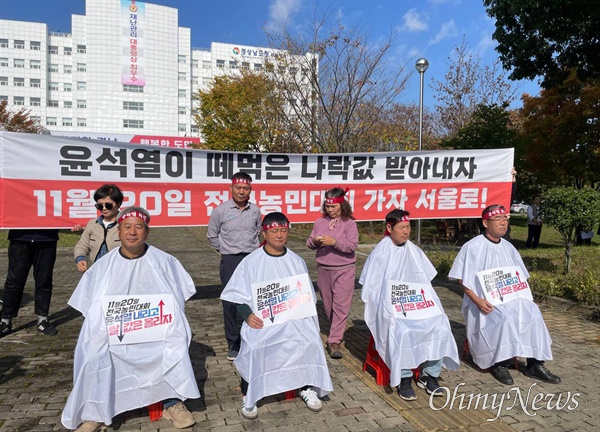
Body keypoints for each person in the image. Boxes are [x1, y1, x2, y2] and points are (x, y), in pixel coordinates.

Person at [61, 207, 199, 432]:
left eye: (139, 227)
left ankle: (172, 401)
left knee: (176, 339)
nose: (132, 232)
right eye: (127, 226)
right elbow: (90, 308)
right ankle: (96, 411)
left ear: (147, 231)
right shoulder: (104, 265)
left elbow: (178, 299)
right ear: (119, 230)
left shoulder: (165, 261)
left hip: (156, 330)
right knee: (93, 349)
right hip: (116, 330)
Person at [221, 212, 333, 419]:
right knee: (255, 344)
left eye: (283, 230)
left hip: (293, 319)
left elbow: (306, 296)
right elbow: (237, 294)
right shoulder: (251, 261)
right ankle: (250, 391)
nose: (280, 235)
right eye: (274, 231)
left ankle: (306, 386)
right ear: (265, 232)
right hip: (263, 321)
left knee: (309, 340)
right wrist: (247, 315)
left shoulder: (296, 261)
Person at [449, 204, 561, 386]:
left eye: (505, 219)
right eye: (498, 219)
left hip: (509, 297)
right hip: (483, 301)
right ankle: (498, 363)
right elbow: (463, 280)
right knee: (504, 317)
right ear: (486, 222)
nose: (503, 223)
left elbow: (520, 277)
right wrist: (478, 301)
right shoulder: (473, 247)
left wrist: (522, 297)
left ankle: (535, 363)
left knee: (532, 312)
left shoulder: (509, 247)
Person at [359, 209, 460, 401]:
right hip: (391, 308)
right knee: (402, 329)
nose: (406, 232)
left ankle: (429, 374)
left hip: (416, 304)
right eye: (402, 227)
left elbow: (425, 280)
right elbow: (372, 291)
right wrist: (391, 305)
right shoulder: (380, 253)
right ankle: (404, 377)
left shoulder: (414, 251)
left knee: (439, 323)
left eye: (408, 227)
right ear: (389, 227)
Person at [207, 172, 262, 361]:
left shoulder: (255, 210)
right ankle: (233, 341)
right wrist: (224, 251)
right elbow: (212, 235)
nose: (241, 191)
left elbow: (258, 232)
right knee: (230, 302)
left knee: (253, 298)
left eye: (245, 188)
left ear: (250, 190)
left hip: (251, 260)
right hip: (230, 260)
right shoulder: (220, 211)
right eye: (238, 188)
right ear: (231, 188)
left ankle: (254, 335)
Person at [306, 187, 359, 359]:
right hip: (324, 268)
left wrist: (334, 242)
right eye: (328, 207)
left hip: (344, 269)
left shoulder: (350, 223)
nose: (330, 210)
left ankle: (334, 340)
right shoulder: (319, 222)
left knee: (341, 306)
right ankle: (336, 329)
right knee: (328, 305)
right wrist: (315, 240)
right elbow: (309, 242)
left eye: (334, 207)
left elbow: (351, 246)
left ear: (342, 205)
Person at [1, 229, 59, 337]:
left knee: (44, 280)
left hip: (47, 239)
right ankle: (5, 321)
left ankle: (42, 320)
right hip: (20, 238)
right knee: (14, 281)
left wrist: (71, 223)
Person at [72, 184, 123, 272]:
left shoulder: (126, 224)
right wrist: (80, 258)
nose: (104, 209)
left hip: (119, 271)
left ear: (118, 204)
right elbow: (82, 245)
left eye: (108, 205)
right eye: (99, 206)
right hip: (97, 270)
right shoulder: (92, 224)